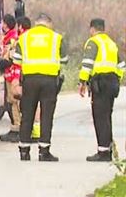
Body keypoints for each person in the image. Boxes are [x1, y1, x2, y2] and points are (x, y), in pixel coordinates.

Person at [12, 14, 67, 162]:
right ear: (49, 23)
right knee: (46, 115)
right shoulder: (57, 37)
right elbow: (65, 60)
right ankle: (44, 151)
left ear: (36, 23)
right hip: (49, 81)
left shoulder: (24, 37)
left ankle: (24, 151)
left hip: (29, 80)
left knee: (27, 114)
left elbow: (16, 59)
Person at [78, 18, 124, 162]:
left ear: (92, 29)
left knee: (100, 117)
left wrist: (82, 81)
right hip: (112, 82)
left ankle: (103, 151)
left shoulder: (93, 42)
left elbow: (87, 63)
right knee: (107, 116)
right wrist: (117, 79)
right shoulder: (111, 43)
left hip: (100, 82)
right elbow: (121, 66)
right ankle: (108, 148)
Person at [0, 15, 25, 143]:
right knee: (12, 102)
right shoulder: (9, 37)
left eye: (2, 23)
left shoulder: (12, 38)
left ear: (6, 24)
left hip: (14, 74)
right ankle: (16, 128)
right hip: (11, 73)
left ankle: (17, 129)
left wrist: (1, 65)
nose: (1, 26)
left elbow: (10, 58)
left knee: (14, 102)